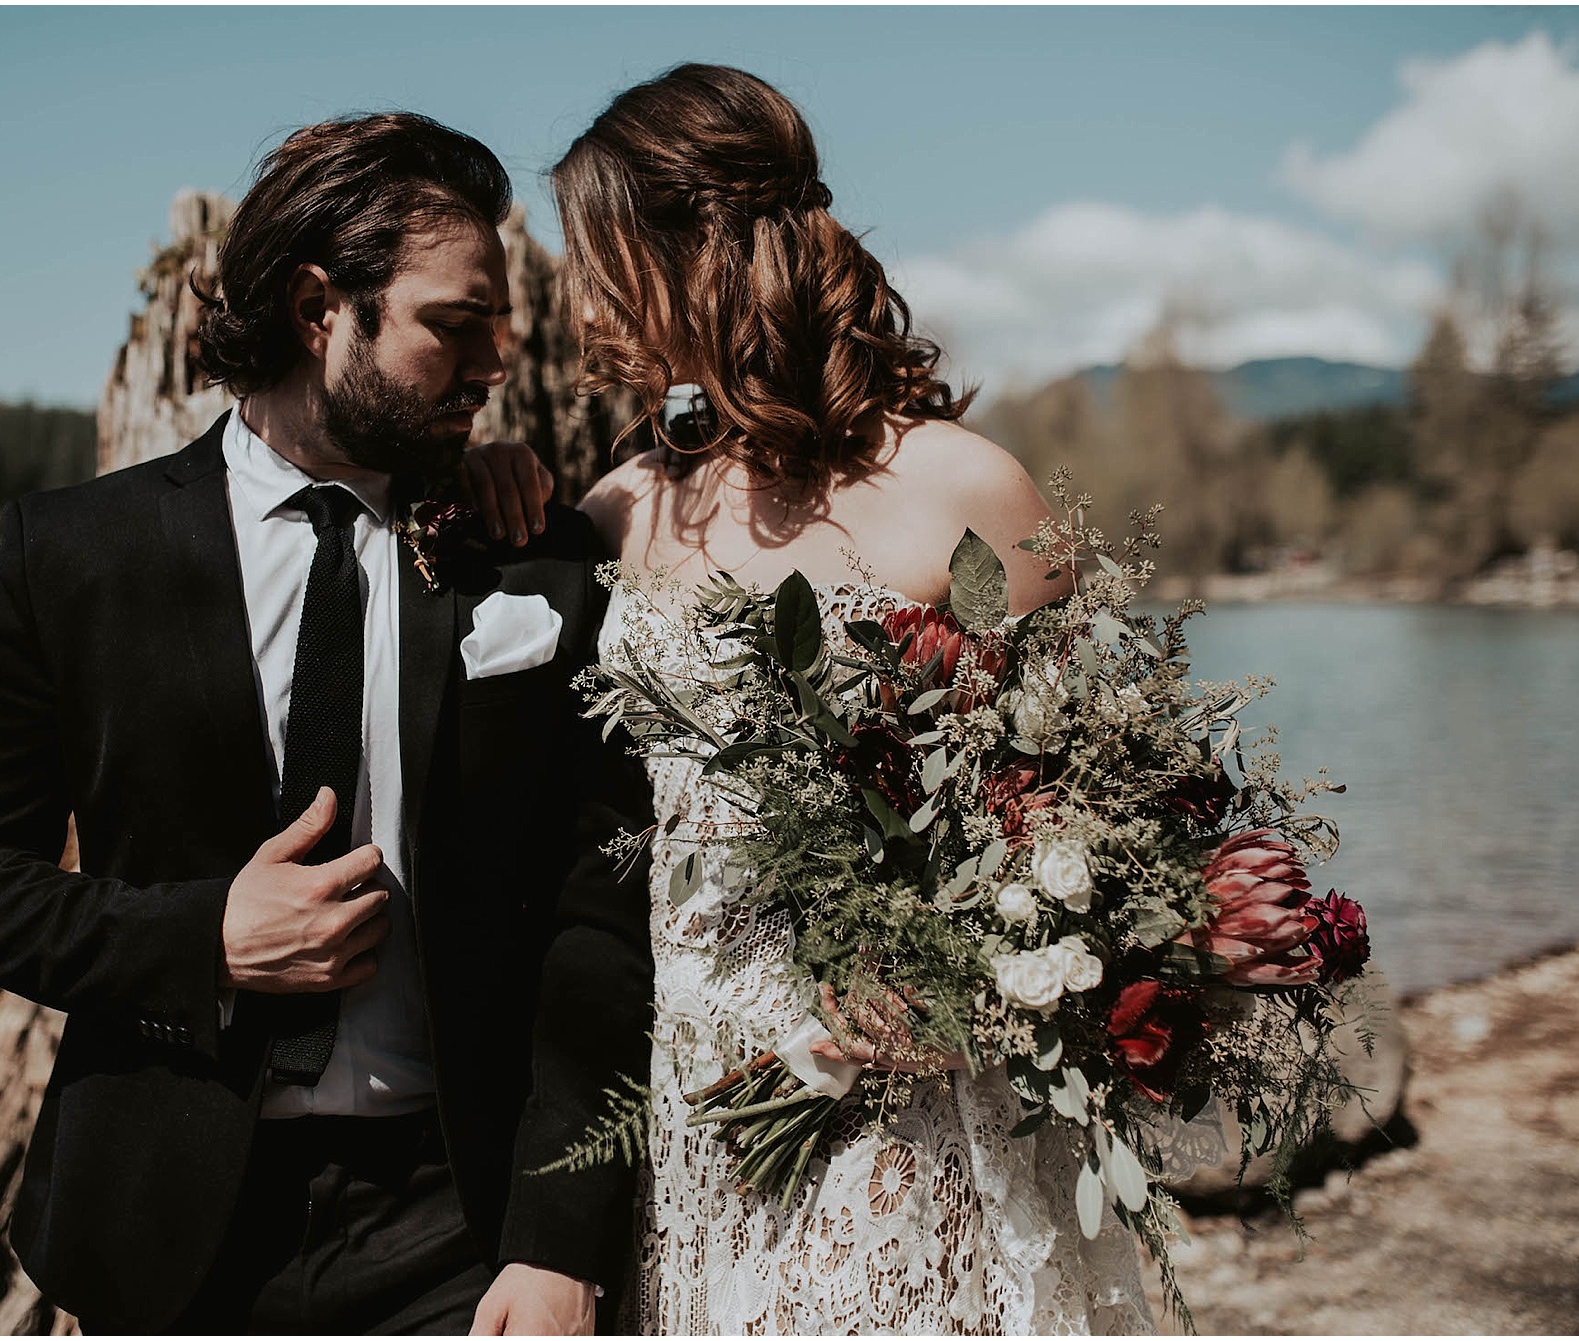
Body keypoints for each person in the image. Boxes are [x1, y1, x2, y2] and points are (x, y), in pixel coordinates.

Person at [0, 112, 653, 1335]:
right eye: (454, 328)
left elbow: (599, 913)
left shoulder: (530, 554)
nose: (494, 366)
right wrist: (208, 942)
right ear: (318, 310)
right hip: (164, 1233)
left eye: (500, 331)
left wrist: (557, 1233)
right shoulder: (75, 553)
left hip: (456, 1235)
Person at [475, 64, 1156, 1333]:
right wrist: (483, 480)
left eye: (599, 256)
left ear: (697, 252)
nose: (580, 297)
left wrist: (958, 982)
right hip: (690, 1094)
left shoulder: (966, 490)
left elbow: (1098, 811)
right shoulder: (622, 508)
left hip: (904, 1099)